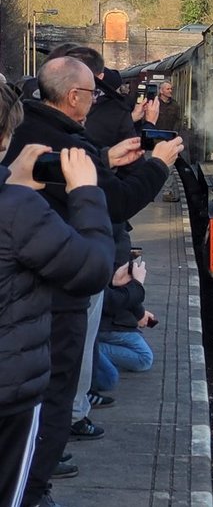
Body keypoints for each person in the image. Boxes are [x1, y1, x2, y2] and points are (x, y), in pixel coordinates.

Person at [0, 57, 184, 507]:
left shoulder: (36, 143)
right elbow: (94, 263)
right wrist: (97, 187)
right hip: (29, 344)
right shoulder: (18, 206)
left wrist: (101, 159)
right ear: (76, 96)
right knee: (55, 402)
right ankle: (38, 490)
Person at [0, 84, 114, 507]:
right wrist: (86, 192)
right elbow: (93, 268)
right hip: (9, 393)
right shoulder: (17, 210)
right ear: (6, 138)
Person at [92, 255, 155, 393]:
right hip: (109, 320)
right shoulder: (111, 240)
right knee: (144, 358)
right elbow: (111, 300)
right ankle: (90, 349)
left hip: (109, 316)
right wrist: (139, 311)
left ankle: (91, 349)